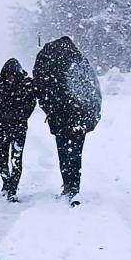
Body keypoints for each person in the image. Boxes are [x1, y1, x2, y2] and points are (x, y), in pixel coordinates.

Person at [32, 36, 101, 204]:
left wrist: (51, 110)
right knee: (76, 153)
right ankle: (74, 186)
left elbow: (41, 89)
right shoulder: (79, 62)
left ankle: (68, 184)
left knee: (64, 153)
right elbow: (93, 90)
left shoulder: (49, 63)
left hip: (60, 118)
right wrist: (89, 116)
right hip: (80, 118)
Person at [0, 58, 36, 202]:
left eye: (13, 76)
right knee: (2, 157)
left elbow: (32, 102)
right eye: (8, 76)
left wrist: (22, 117)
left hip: (18, 127)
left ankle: (13, 188)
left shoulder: (26, 84)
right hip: (2, 126)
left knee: (16, 159)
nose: (10, 79)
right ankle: (6, 183)